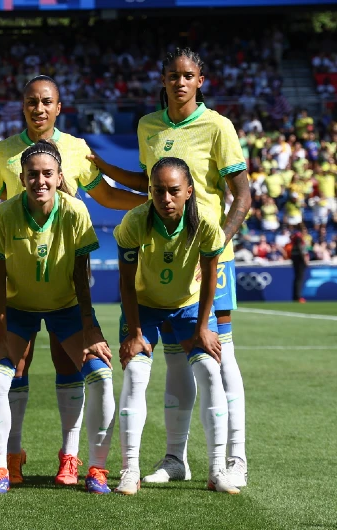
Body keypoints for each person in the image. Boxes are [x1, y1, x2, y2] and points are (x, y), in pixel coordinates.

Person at [0, 75, 145, 486]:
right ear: (22, 105)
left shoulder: (77, 150)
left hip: (65, 286)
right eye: (31, 101)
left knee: (71, 365)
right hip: (18, 287)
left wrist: (158, 205)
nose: (38, 108)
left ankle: (71, 456)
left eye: (47, 101)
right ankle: (13, 454)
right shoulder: (4, 153)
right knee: (15, 369)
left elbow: (110, 198)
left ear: (58, 107)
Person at [90, 48, 251, 488]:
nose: (180, 82)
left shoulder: (218, 126)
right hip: (164, 255)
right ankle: (175, 458)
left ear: (201, 80)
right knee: (179, 363)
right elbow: (149, 183)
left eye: (188, 75)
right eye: (172, 75)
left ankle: (235, 459)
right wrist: (102, 168)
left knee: (221, 357)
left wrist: (215, 249)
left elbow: (243, 194)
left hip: (209, 258)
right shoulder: (148, 125)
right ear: (163, 80)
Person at [0, 140, 115, 494]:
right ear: (22, 178)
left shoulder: (74, 211)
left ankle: (88, 465)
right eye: (32, 175)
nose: (40, 181)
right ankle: (4, 465)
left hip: (66, 308)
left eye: (47, 174)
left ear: (59, 177)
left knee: (101, 375)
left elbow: (80, 275)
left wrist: (91, 328)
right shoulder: (6, 212)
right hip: (17, 310)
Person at [113, 157, 239, 495]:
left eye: (173, 191)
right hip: (143, 307)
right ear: (150, 192)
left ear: (188, 192)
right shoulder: (134, 222)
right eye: (157, 191)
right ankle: (130, 470)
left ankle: (217, 470)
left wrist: (202, 328)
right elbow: (125, 284)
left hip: (188, 307)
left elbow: (211, 278)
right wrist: (135, 332)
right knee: (136, 375)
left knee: (212, 373)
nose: (165, 199)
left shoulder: (207, 224)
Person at [290, 227, 309, 302]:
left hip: (295, 259)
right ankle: (298, 297)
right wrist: (305, 259)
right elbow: (301, 249)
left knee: (297, 278)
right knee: (299, 279)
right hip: (299, 260)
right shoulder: (299, 238)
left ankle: (296, 296)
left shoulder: (296, 237)